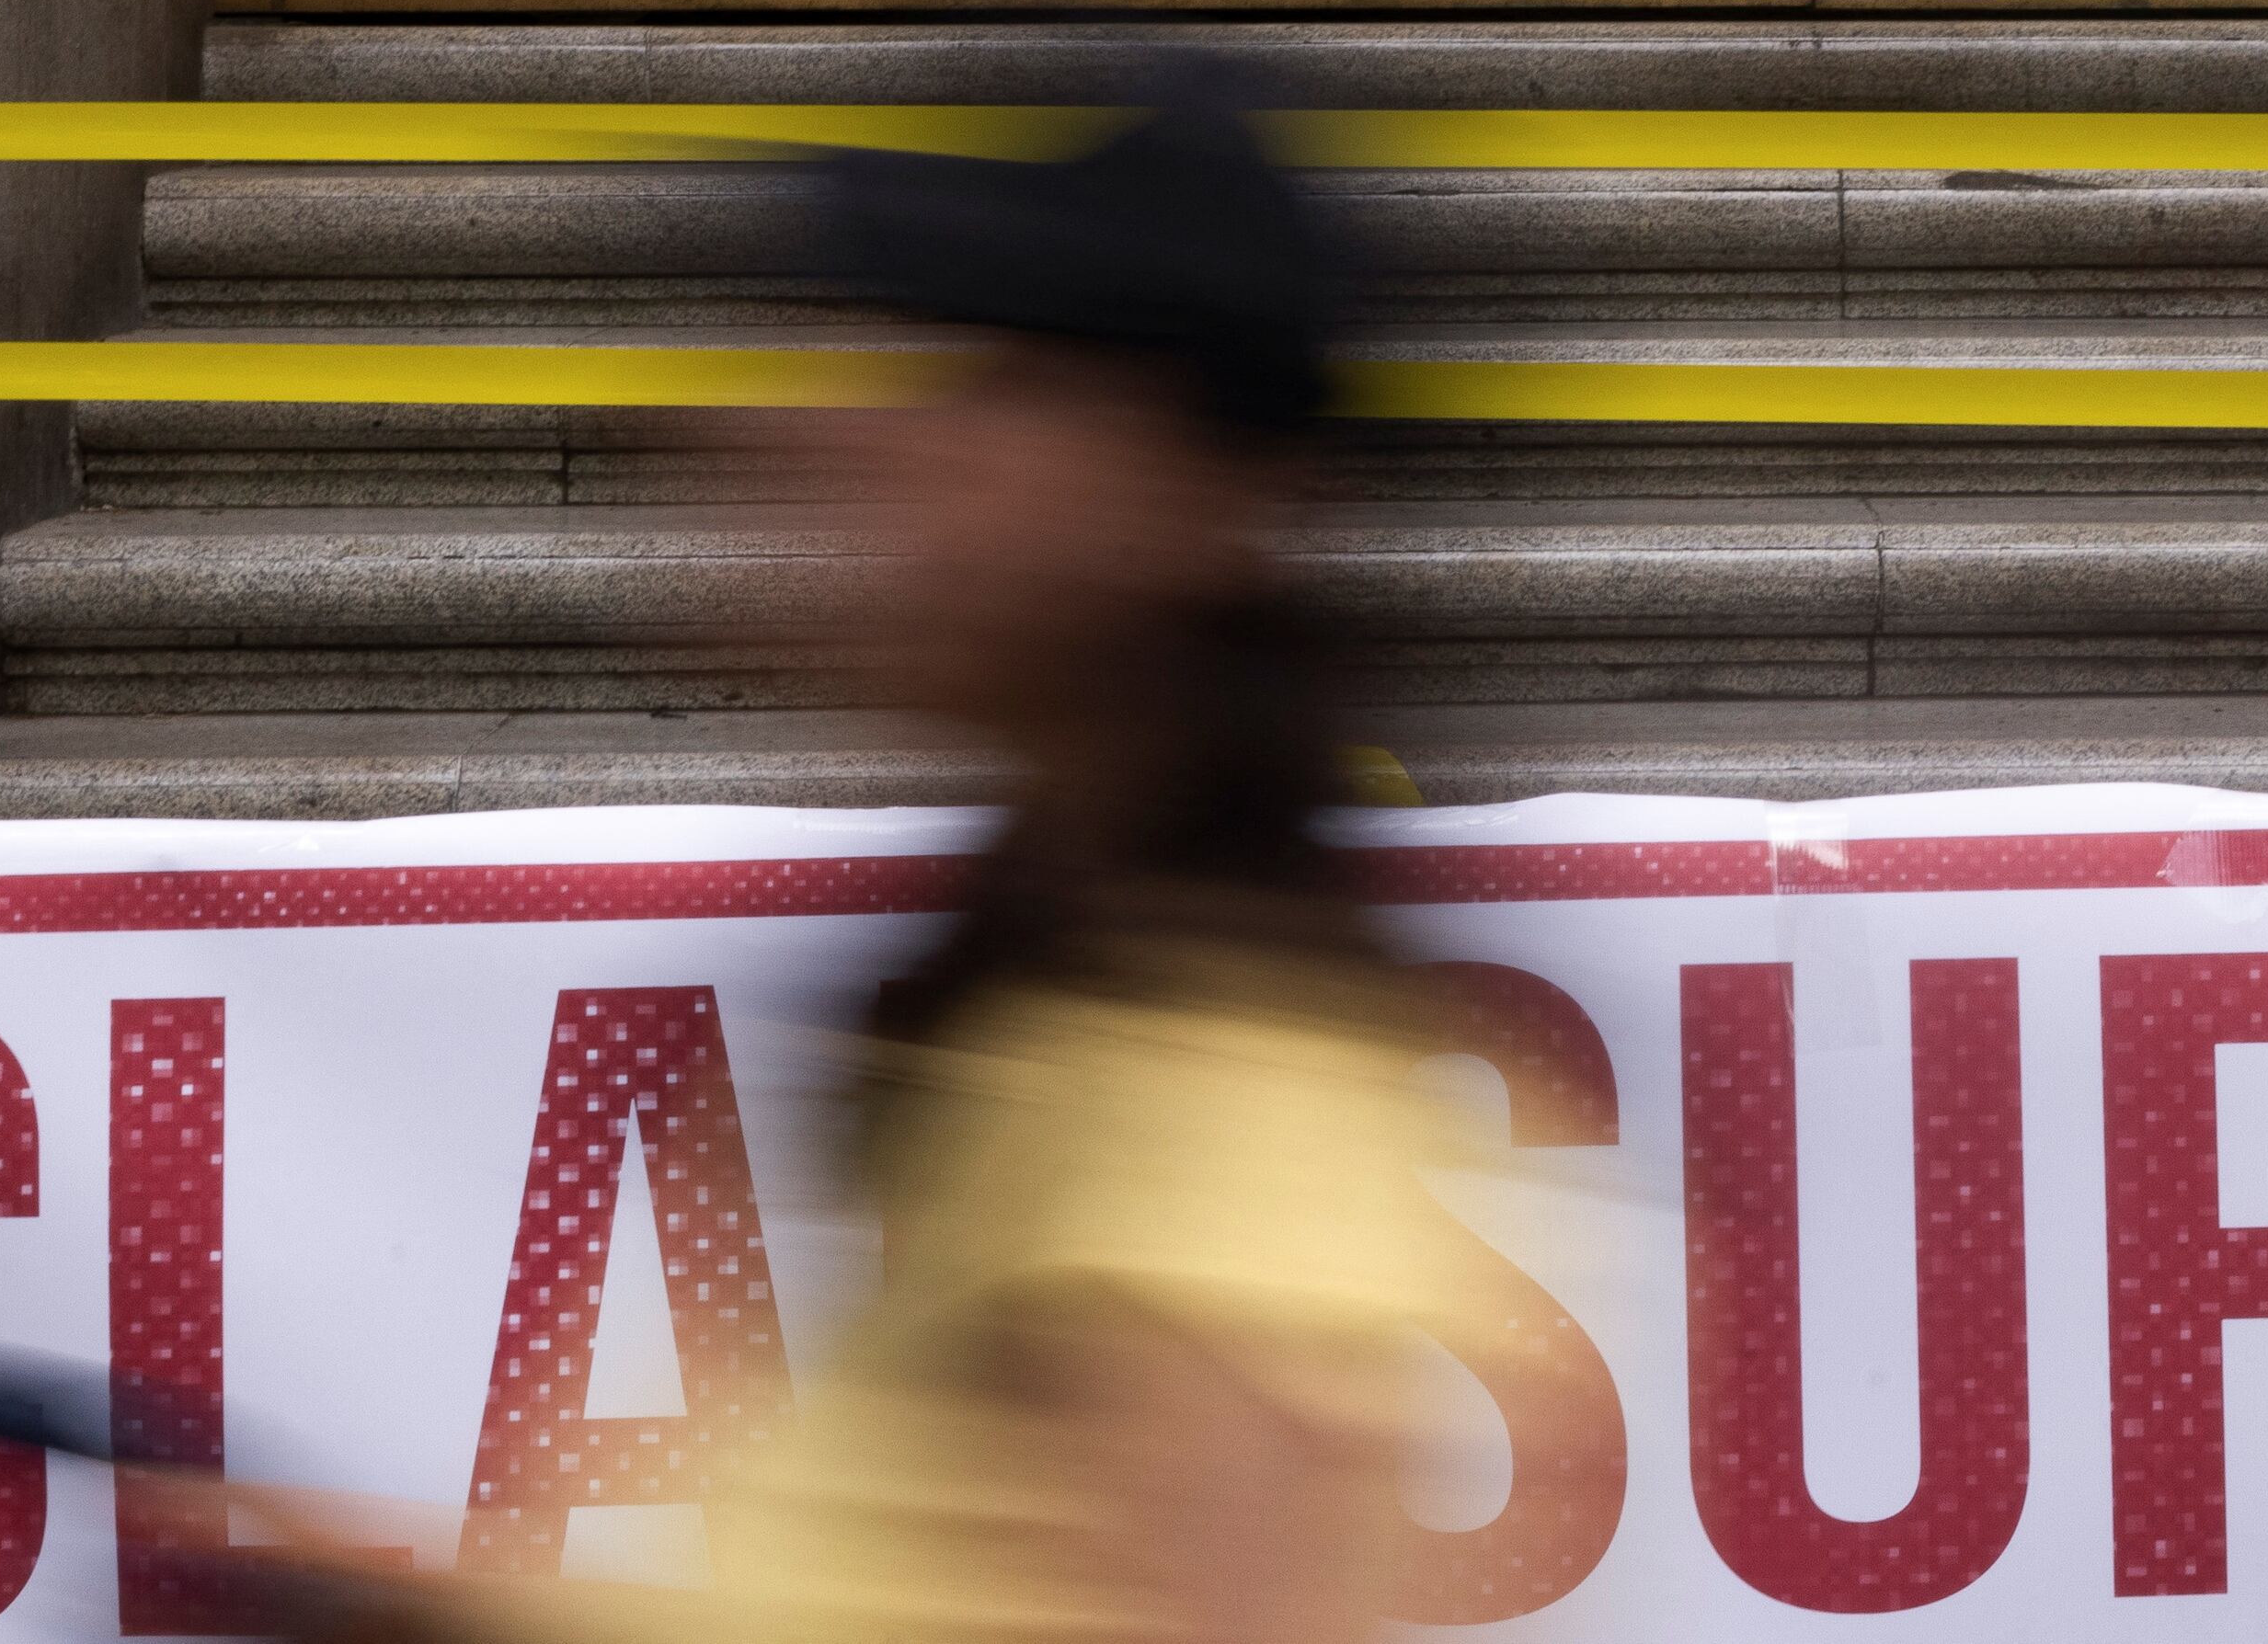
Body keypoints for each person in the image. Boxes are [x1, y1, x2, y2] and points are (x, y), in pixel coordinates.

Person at [272, 92, 1465, 1644]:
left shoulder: (1240, 1156)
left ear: (1197, 504)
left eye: (987, 383)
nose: (844, 431)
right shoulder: (1058, 995)